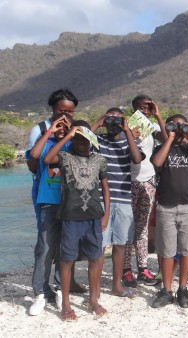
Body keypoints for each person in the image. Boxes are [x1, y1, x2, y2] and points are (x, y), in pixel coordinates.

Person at [43, 120, 110, 321]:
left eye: (85, 138)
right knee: (67, 259)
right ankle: (65, 304)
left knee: (96, 258)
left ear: (91, 140)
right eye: (78, 138)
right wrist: (69, 135)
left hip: (93, 216)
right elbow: (47, 159)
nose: (82, 142)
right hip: (70, 217)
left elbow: (106, 188)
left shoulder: (99, 159)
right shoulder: (64, 157)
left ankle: (93, 300)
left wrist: (106, 214)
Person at [150, 114, 188, 308]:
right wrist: (170, 138)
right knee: (166, 251)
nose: (178, 129)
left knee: (186, 250)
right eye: (174, 125)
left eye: (182, 126)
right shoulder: (161, 148)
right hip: (166, 206)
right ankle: (166, 290)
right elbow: (157, 163)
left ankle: (182, 288)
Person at [91, 108, 144, 298]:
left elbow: (137, 159)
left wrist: (127, 131)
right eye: (110, 120)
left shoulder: (130, 141)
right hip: (101, 200)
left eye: (117, 120)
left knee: (121, 243)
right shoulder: (98, 141)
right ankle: (95, 289)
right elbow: (80, 139)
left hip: (122, 199)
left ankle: (116, 285)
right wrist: (98, 122)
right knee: (100, 245)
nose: (113, 124)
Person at [27, 114, 72, 315]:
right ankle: (40, 292)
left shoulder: (74, 143)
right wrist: (49, 132)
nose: (61, 128)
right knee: (45, 248)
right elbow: (35, 156)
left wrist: (72, 131)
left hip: (70, 203)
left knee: (65, 249)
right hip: (48, 202)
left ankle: (61, 288)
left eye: (65, 125)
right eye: (58, 125)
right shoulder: (46, 142)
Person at [122, 95, 166, 287]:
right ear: (134, 109)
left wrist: (158, 116)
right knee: (127, 228)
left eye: (148, 108)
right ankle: (126, 269)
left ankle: (143, 268)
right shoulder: (126, 127)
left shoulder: (151, 127)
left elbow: (166, 139)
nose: (145, 111)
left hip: (148, 180)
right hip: (128, 181)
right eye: (142, 108)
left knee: (142, 227)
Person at [27, 89, 78, 226]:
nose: (65, 115)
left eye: (70, 112)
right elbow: (32, 165)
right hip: (46, 188)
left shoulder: (76, 131)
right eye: (62, 111)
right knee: (45, 232)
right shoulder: (40, 129)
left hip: (71, 193)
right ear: (53, 109)